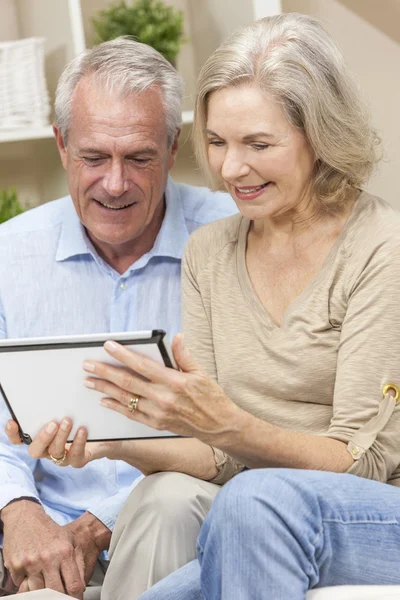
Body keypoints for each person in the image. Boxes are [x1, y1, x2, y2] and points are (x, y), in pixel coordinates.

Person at [6, 11, 400, 599]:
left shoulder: (380, 248)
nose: (231, 168)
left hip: (350, 507)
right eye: (217, 142)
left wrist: (226, 424)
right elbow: (218, 453)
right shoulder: (212, 248)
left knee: (243, 499)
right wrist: (100, 440)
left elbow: (365, 464)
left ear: (319, 136)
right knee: (204, 507)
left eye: (258, 144)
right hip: (251, 508)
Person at [0, 37, 236, 599]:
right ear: (61, 144)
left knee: (168, 509)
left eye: (139, 157)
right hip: (37, 519)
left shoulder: (232, 239)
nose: (114, 183)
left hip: (177, 513)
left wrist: (98, 521)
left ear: (173, 147)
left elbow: (244, 421)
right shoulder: (9, 254)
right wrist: (20, 510)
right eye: (93, 157)